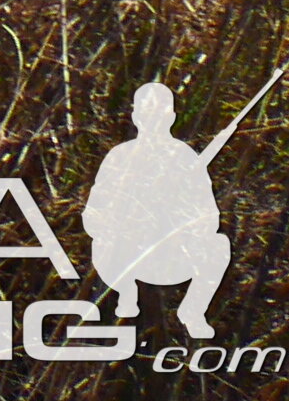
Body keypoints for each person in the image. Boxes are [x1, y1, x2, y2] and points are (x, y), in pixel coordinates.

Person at [83, 83, 232, 338]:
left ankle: (193, 311)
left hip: (171, 257)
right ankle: (126, 293)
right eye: (146, 113)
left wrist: (181, 228)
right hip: (126, 256)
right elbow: (94, 214)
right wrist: (124, 225)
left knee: (219, 245)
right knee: (102, 244)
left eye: (160, 114)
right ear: (136, 117)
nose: (153, 120)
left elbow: (209, 216)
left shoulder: (186, 158)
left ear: (171, 118)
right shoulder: (120, 157)